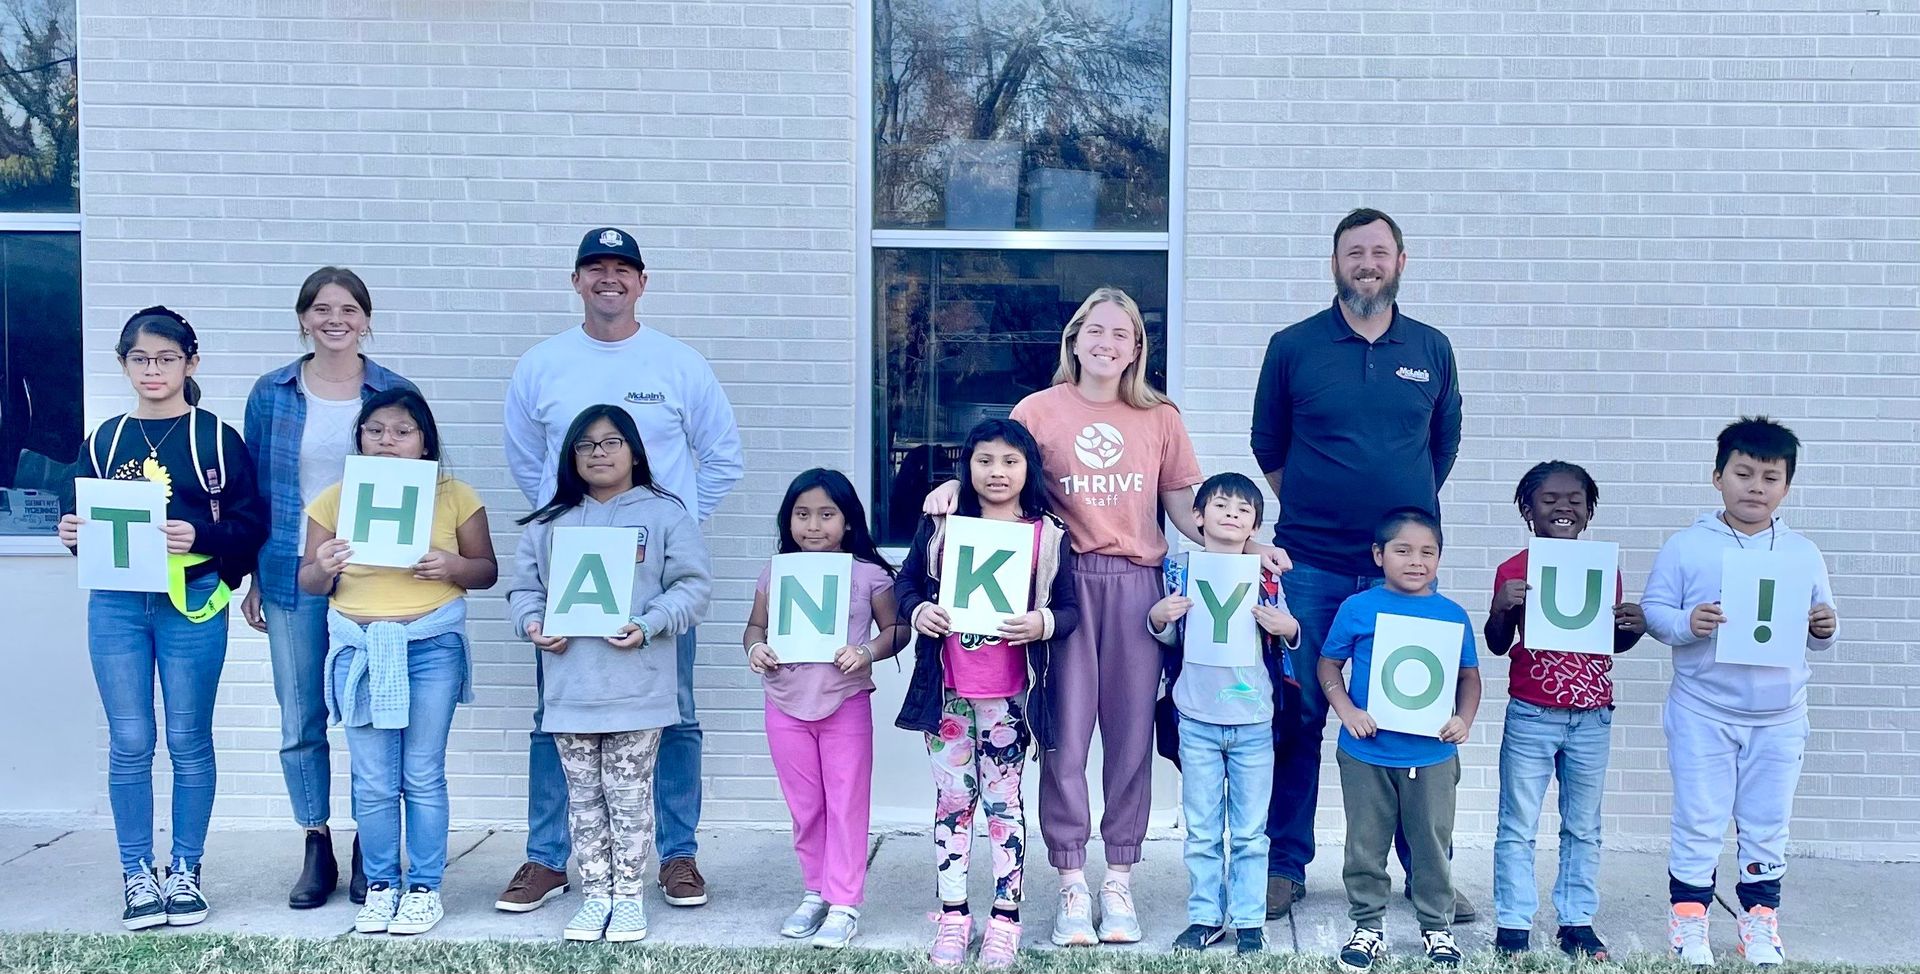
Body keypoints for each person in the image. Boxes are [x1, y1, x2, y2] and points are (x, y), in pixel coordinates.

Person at [924, 287, 1286, 948]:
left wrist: (1247, 547)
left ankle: (1117, 880)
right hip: (1060, 587)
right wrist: (953, 490)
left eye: (1122, 333)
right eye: (1097, 330)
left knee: (1129, 738)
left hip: (1137, 585)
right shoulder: (1037, 410)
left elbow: (1185, 511)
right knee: (1062, 738)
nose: (1108, 342)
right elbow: (999, 470)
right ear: (1075, 337)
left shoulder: (1160, 417)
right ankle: (1070, 884)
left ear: (1136, 348)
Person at [500, 227, 743, 913]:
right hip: (572, 577)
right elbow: (529, 463)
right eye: (595, 268)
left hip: (653, 584)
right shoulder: (543, 365)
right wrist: (576, 529)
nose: (610, 279)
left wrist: (666, 525)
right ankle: (547, 859)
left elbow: (722, 457)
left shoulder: (678, 364)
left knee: (677, 716)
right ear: (576, 280)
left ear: (642, 281)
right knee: (557, 716)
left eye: (623, 269)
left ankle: (677, 856)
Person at [1250, 208, 1466, 921]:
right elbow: (1268, 444)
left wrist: (1400, 528)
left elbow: (1441, 448)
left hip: (1400, 573)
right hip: (1310, 564)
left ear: (1402, 260)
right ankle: (1285, 865)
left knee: (1412, 713)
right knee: (1302, 712)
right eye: (1353, 253)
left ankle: (1425, 874)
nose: (1366, 263)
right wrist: (1319, 505)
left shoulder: (1430, 348)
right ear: (1334, 262)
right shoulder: (1294, 346)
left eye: (1379, 252)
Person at [58, 307, 268, 931]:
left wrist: (198, 532)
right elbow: (84, 520)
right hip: (118, 606)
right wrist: (69, 531)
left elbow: (253, 525)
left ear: (190, 362)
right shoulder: (104, 440)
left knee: (187, 739)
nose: (153, 370)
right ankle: (136, 874)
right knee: (129, 742)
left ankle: (185, 871)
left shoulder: (215, 438)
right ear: (123, 364)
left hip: (193, 601)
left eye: (166, 358)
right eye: (141, 359)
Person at [242, 266, 416, 909]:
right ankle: (316, 842)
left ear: (366, 319)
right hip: (297, 571)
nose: (334, 319)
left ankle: (373, 845)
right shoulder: (272, 393)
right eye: (320, 308)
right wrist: (255, 576)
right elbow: (255, 491)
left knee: (374, 713)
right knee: (302, 714)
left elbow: (421, 480)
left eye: (347, 308)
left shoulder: (395, 390)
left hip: (379, 577)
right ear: (304, 318)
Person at [507, 404, 712, 944]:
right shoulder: (549, 522)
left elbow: (693, 589)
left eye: (611, 442)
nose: (599, 453)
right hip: (571, 689)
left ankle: (628, 897)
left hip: (638, 689)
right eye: (586, 444)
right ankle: (594, 895)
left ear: (635, 451)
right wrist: (531, 623)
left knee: (627, 797)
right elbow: (525, 591)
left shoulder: (666, 515)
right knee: (583, 800)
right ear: (571, 457)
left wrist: (649, 623)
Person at [1642, 417, 1838, 968]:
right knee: (1699, 819)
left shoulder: (1802, 551)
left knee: (1767, 822)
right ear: (1717, 477)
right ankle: (1689, 921)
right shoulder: (1687, 545)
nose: (1756, 486)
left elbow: (1822, 620)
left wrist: (1825, 628)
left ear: (1786, 487)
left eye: (1770, 477)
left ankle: (1759, 922)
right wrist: (1688, 622)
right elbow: (1655, 611)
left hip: (1779, 715)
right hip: (1703, 710)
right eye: (1743, 473)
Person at [301, 389, 497, 937]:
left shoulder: (455, 495)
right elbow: (309, 582)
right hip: (358, 647)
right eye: (376, 429)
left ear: (424, 441)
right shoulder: (336, 498)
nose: (388, 440)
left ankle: (425, 887)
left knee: (422, 773)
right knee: (372, 779)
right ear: (360, 436)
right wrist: (322, 563)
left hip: (430, 643)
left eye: (403, 431)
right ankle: (382, 884)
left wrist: (454, 565)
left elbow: (486, 570)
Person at [895, 419, 1080, 968]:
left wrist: (1043, 623)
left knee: (1004, 805)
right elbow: (904, 583)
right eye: (984, 461)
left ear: (1028, 469)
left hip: (1010, 696)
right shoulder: (943, 524)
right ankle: (954, 916)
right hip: (948, 693)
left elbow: (1070, 610)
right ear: (967, 466)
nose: (996, 472)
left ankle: (1005, 919)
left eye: (1010, 461)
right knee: (953, 803)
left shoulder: (1047, 535)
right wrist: (917, 609)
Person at [1484, 462, 1645, 960]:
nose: (1563, 507)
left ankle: (1576, 921)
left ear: (1589, 510)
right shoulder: (1513, 569)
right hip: (1532, 712)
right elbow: (1495, 645)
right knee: (1518, 823)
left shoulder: (1603, 568)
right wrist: (1501, 607)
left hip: (1593, 715)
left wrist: (1633, 627)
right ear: (1527, 510)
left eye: (1575, 499)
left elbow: (1608, 645)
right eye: (1549, 499)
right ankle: (1513, 924)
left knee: (1583, 825)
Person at [744, 469, 904, 950]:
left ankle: (845, 901)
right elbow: (754, 627)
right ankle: (814, 890)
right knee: (806, 807)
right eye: (802, 514)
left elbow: (898, 630)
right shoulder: (777, 571)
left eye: (827, 514)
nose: (814, 525)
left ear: (848, 521)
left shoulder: (870, 575)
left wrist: (867, 652)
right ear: (787, 520)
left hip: (844, 702)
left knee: (846, 803)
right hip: (784, 702)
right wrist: (755, 650)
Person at [1318, 509, 1480, 972]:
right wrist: (1347, 711)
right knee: (1365, 845)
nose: (1416, 561)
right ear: (1378, 555)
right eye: (1403, 550)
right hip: (1367, 753)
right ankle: (1367, 924)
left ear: (1440, 559)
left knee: (1431, 845)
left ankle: (1437, 928)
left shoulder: (1451, 614)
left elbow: (1470, 678)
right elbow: (1328, 665)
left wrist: (1463, 720)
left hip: (1430, 755)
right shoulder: (1358, 608)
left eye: (1428, 552)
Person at [1151, 473, 1299, 957]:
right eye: (1221, 506)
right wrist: (1159, 619)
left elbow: (1285, 638)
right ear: (1198, 516)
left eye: (1243, 510)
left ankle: (1250, 919)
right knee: (1202, 826)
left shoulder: (1265, 575)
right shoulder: (1178, 571)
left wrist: (1288, 627)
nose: (1231, 515)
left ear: (1254, 524)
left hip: (1254, 719)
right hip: (1195, 717)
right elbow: (1170, 639)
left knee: (1252, 830)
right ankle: (1204, 916)